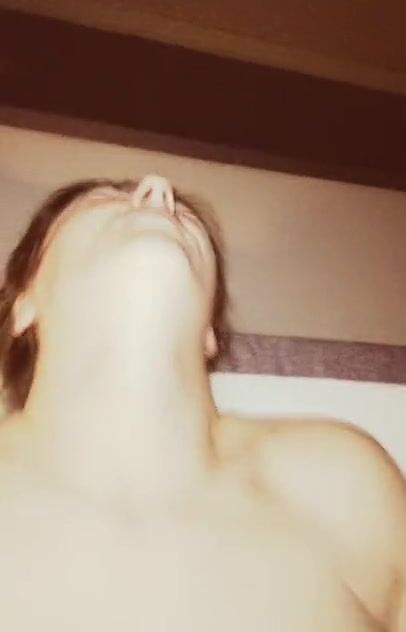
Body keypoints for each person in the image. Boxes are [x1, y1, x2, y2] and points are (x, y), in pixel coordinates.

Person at [0, 174, 404, 631]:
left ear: (210, 334)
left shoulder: (340, 483)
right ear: (24, 302)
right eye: (103, 199)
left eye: (187, 216)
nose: (158, 188)